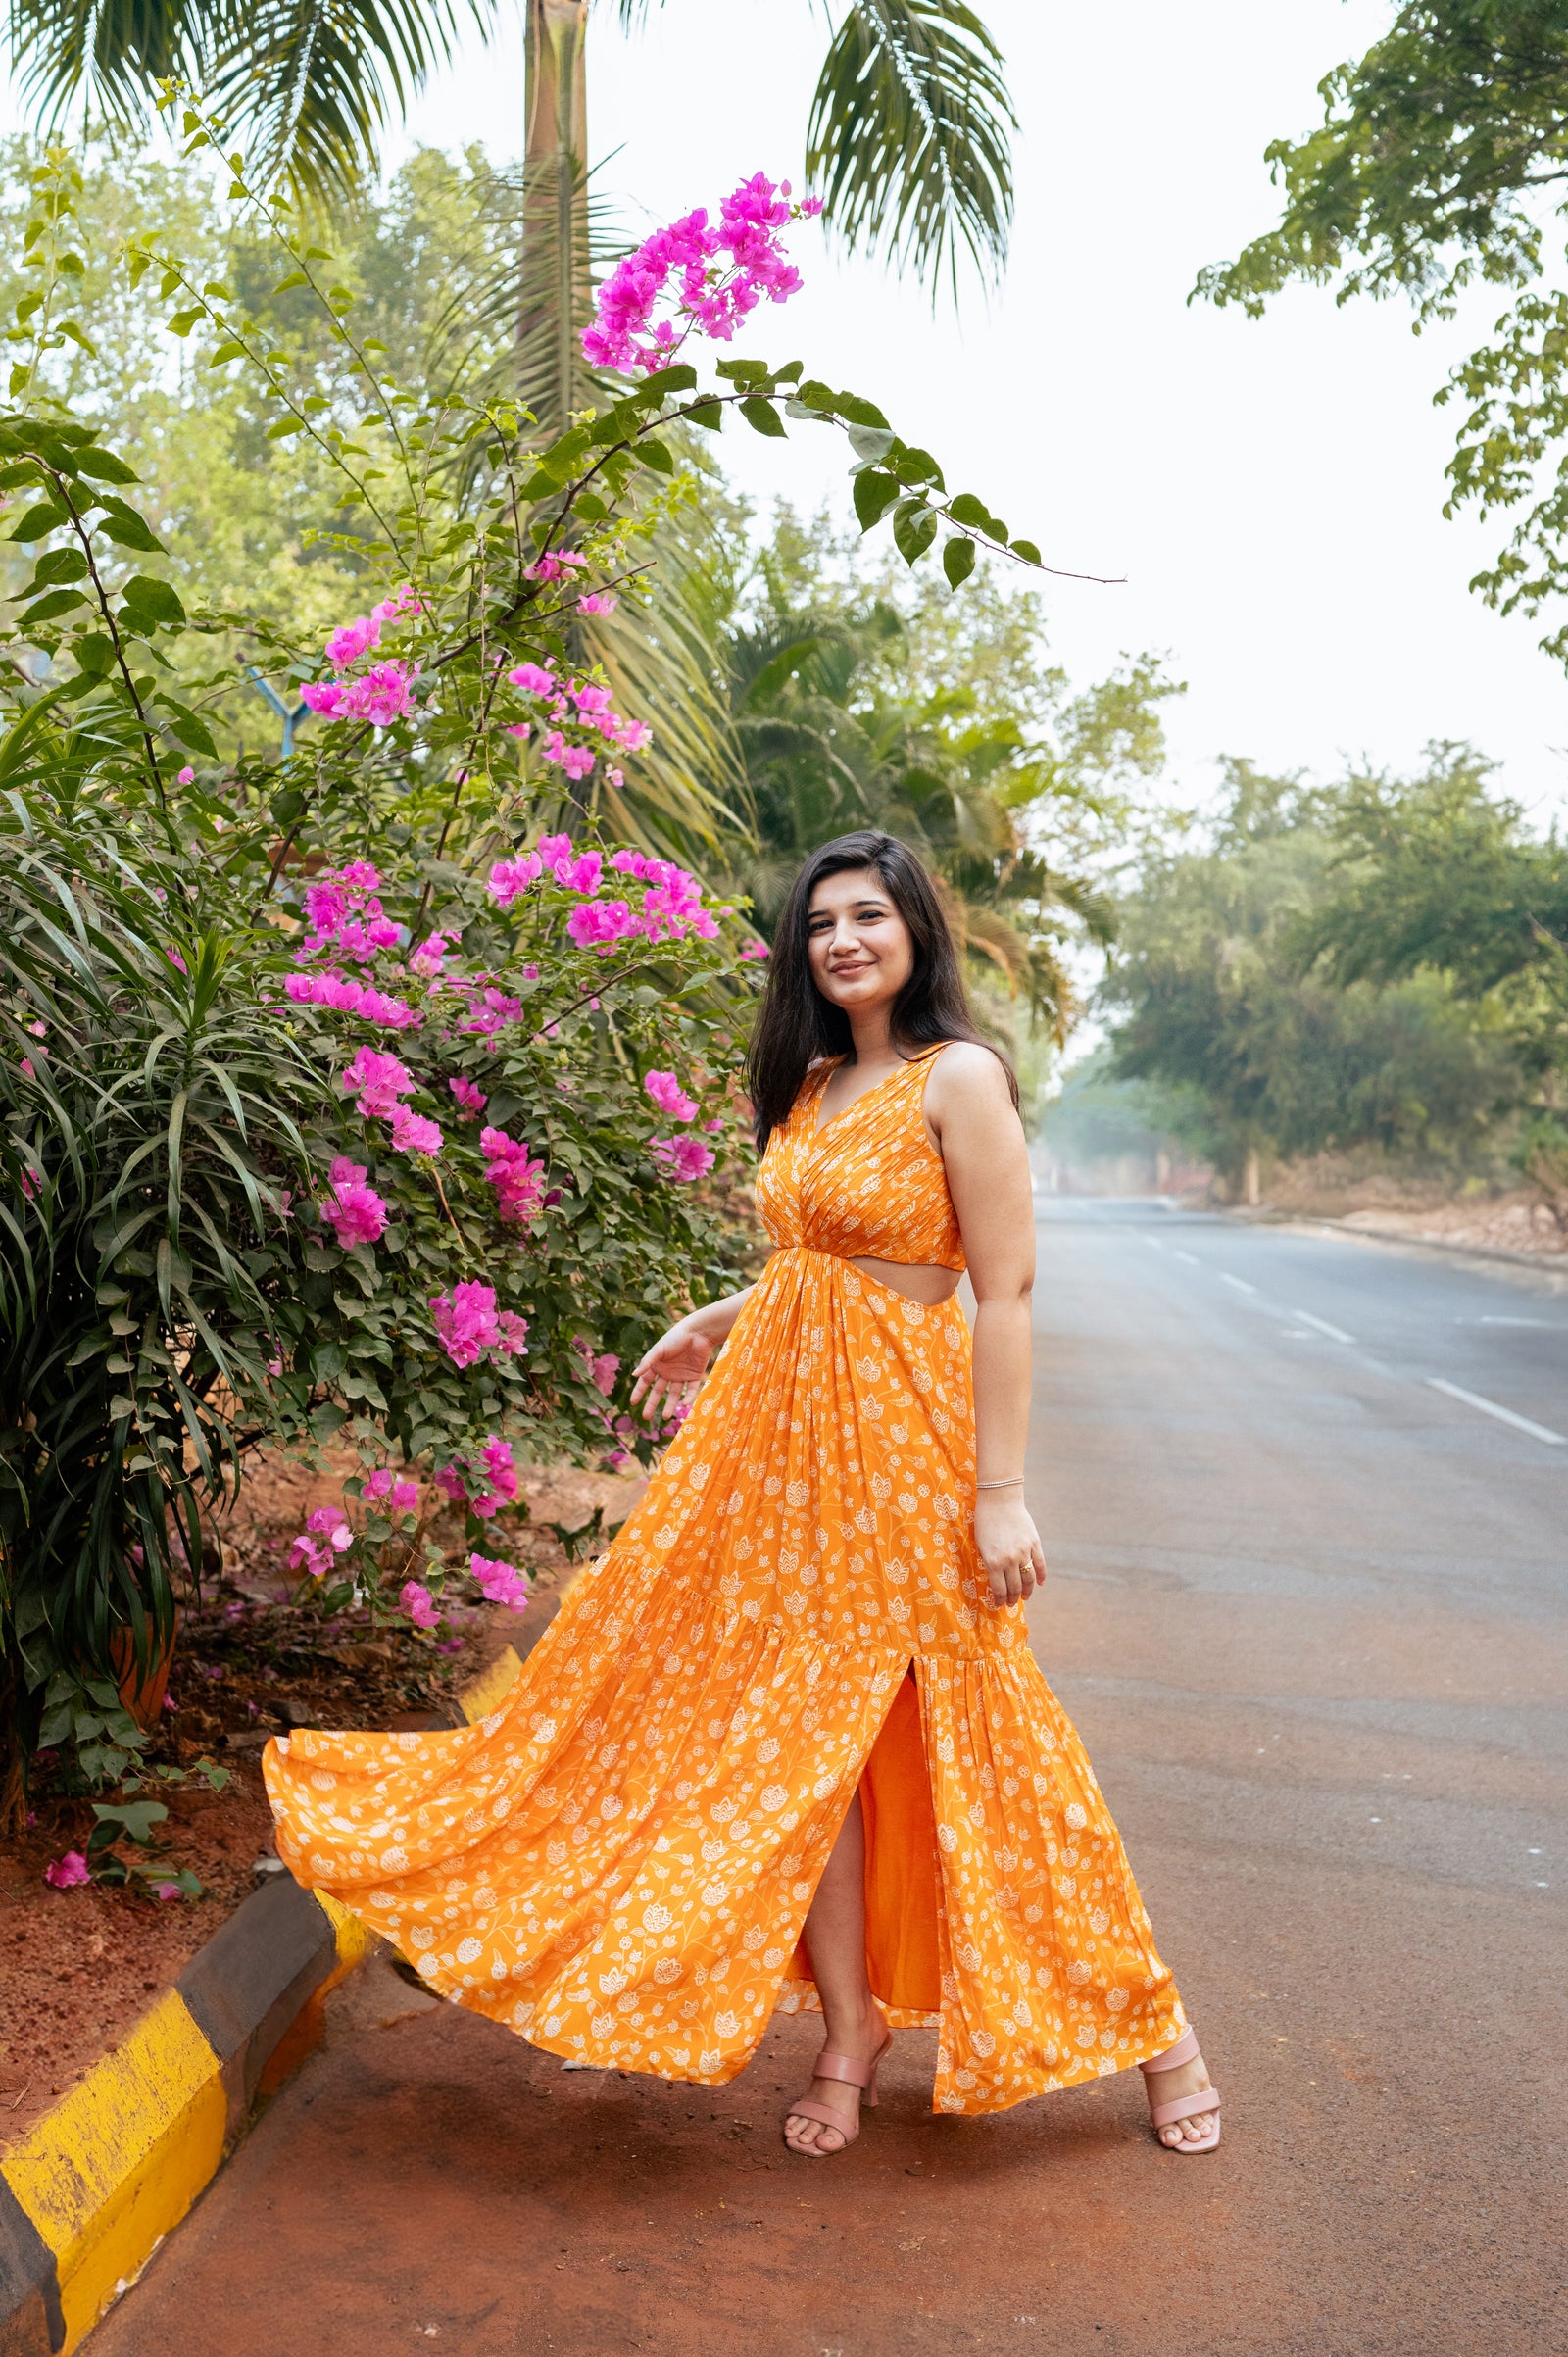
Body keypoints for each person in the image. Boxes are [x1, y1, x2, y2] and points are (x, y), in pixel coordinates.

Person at [265, 830, 1219, 2159]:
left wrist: (1001, 1494)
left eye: (868, 916)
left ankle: (1155, 2023)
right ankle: (848, 2033)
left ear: (916, 931)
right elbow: (825, 1260)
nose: (842, 940)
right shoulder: (822, 1079)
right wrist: (724, 1315)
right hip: (777, 1458)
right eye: (821, 922)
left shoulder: (962, 1078)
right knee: (793, 1748)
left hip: (904, 1455)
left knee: (992, 1742)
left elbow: (996, 1288)